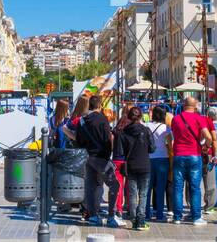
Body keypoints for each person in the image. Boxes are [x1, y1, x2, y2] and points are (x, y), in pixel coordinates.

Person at [66, 95, 120, 227]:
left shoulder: (82, 120)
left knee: (92, 187)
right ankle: (111, 216)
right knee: (114, 185)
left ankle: (94, 216)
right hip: (101, 157)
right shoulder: (102, 119)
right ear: (100, 105)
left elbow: (76, 137)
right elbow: (108, 139)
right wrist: (108, 155)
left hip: (87, 157)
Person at [170, 96, 213, 225]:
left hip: (178, 155)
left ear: (184, 105)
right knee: (195, 187)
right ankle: (196, 217)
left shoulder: (176, 119)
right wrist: (206, 146)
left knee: (177, 187)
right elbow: (208, 136)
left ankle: (177, 217)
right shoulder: (199, 118)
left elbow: (173, 135)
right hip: (194, 155)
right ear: (195, 106)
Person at [118, 106, 153, 231]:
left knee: (132, 194)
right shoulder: (146, 130)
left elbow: (121, 150)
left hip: (131, 165)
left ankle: (133, 219)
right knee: (143, 194)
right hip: (144, 164)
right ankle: (141, 220)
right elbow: (152, 148)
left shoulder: (124, 132)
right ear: (141, 116)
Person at [145, 105, 172, 223]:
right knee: (160, 188)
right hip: (163, 159)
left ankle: (146, 212)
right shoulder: (166, 128)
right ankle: (160, 214)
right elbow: (170, 144)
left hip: (149, 159)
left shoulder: (146, 126)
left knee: (147, 188)